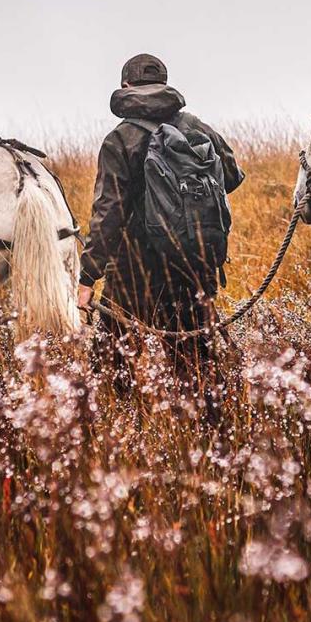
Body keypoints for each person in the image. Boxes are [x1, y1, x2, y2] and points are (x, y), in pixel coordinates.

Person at [78, 54, 244, 384]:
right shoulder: (196, 126)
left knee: (111, 365)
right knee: (196, 368)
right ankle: (206, 428)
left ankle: (124, 427)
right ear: (164, 86)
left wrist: (87, 278)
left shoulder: (119, 140)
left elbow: (107, 216)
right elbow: (232, 176)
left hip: (133, 274)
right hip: (195, 265)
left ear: (125, 87)